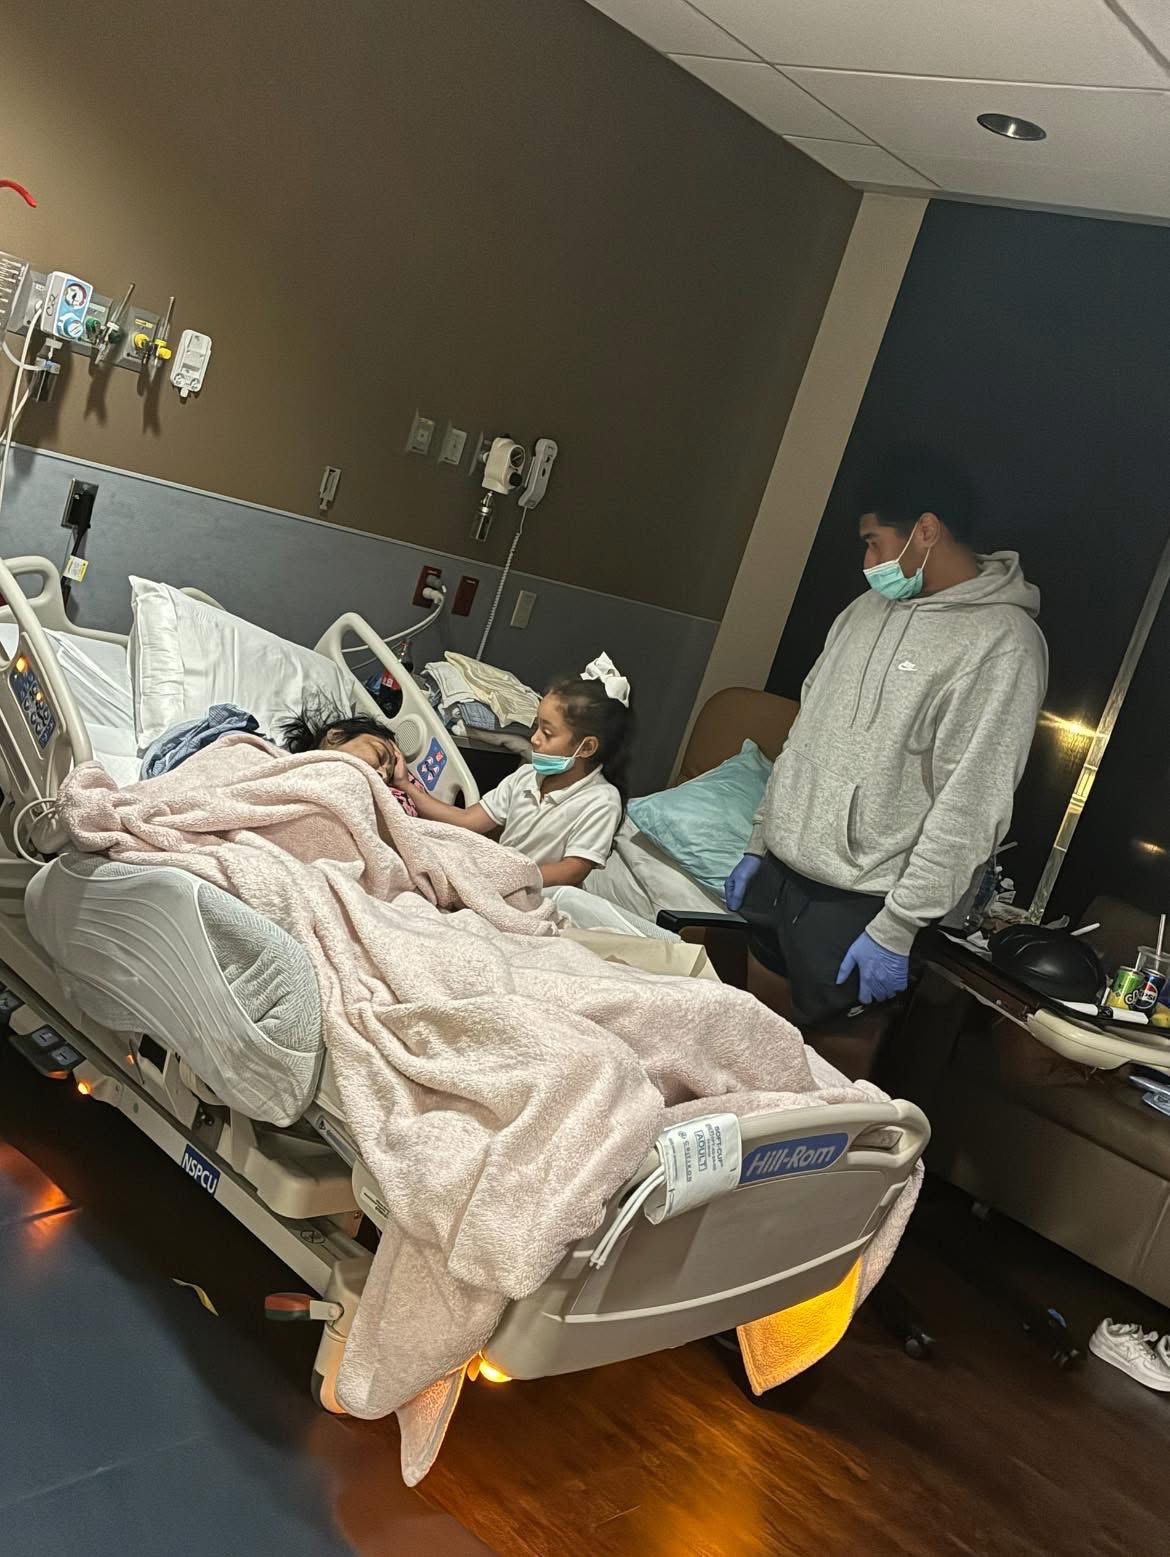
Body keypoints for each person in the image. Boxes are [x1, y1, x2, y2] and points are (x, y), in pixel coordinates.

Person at [725, 451, 1047, 1029]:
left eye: (874, 543)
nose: (869, 562)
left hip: (865, 904)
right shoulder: (864, 610)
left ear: (926, 530)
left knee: (828, 1074)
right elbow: (804, 734)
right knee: (747, 1043)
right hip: (782, 872)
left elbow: (973, 803)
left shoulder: (1004, 643)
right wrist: (759, 841)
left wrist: (897, 927)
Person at [403, 653, 632, 888]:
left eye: (547, 733)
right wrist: (406, 787)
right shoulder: (527, 776)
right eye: (536, 727)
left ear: (586, 747)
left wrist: (507, 877)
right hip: (500, 883)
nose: (534, 739)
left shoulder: (602, 801)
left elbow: (571, 871)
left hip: (542, 893)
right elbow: (467, 820)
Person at [280, 705, 420, 814]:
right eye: (380, 755)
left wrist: (404, 784)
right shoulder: (290, 773)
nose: (383, 775)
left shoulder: (386, 800)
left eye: (388, 775)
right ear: (337, 736)